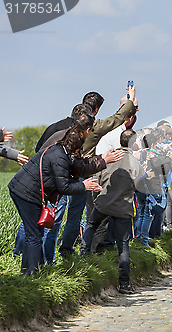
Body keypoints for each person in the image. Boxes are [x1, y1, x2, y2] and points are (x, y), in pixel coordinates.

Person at [8, 114, 101, 275]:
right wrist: (83, 186)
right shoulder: (60, 157)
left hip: (28, 190)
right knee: (34, 235)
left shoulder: (61, 152)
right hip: (25, 192)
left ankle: (30, 273)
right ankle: (32, 275)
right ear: (76, 146)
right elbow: (64, 186)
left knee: (35, 234)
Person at [59, 86, 137, 257]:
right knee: (80, 214)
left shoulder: (65, 123)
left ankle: (42, 254)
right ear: (96, 110)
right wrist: (131, 98)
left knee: (56, 213)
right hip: (83, 173)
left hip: (60, 170)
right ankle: (69, 250)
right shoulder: (94, 127)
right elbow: (118, 118)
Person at [80, 130, 141, 294]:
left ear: (120, 140)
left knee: (91, 225)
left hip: (104, 202)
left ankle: (83, 259)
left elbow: (96, 179)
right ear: (134, 143)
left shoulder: (109, 156)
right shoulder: (135, 163)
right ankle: (124, 283)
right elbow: (138, 186)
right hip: (123, 207)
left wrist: (97, 199)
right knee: (123, 245)